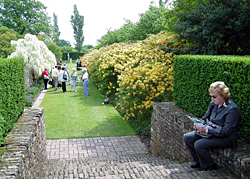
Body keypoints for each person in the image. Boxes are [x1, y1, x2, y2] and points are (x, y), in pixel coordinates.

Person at [184, 81, 241, 171]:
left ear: (223, 95)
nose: (212, 99)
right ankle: (199, 161)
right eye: (211, 96)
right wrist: (198, 123)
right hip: (212, 132)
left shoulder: (232, 109)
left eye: (214, 96)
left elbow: (227, 131)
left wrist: (207, 130)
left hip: (226, 138)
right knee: (188, 137)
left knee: (199, 144)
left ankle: (209, 166)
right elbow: (205, 117)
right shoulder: (214, 104)